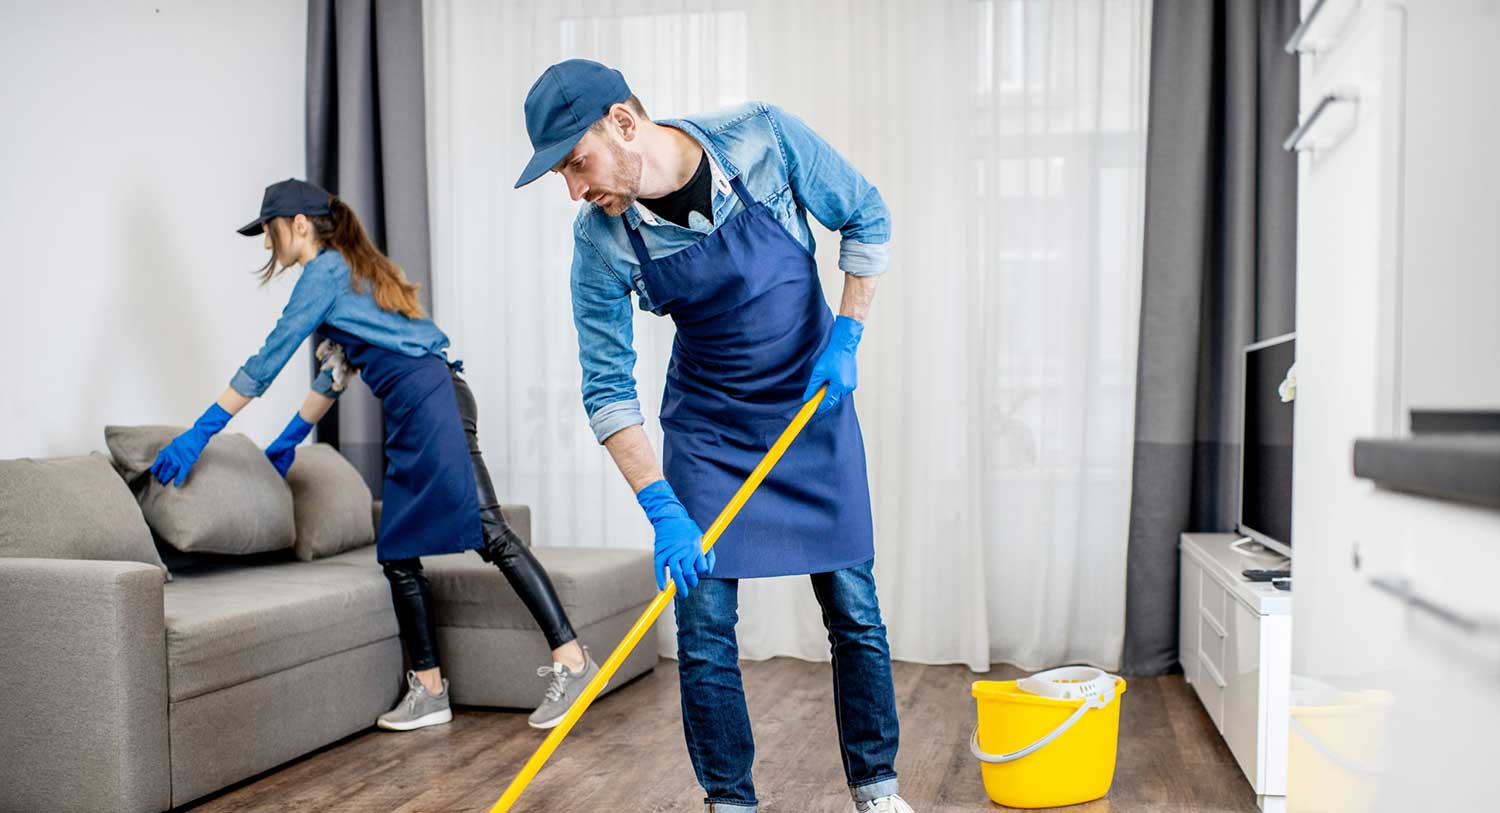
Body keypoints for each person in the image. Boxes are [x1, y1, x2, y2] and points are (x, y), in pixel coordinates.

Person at [515, 60, 911, 813]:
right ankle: (729, 801)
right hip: (709, 430)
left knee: (854, 606)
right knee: (701, 627)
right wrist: (662, 506)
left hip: (809, 404)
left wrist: (848, 333)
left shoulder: (760, 139)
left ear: (623, 123)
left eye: (576, 164)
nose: (574, 189)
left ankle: (877, 788)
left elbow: (866, 212)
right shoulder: (601, 241)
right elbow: (607, 387)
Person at [149, 178, 599, 731]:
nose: (267, 246)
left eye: (268, 233)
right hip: (422, 406)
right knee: (397, 552)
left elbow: (267, 361)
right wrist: (288, 441)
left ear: (297, 225)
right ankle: (429, 689)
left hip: (429, 403)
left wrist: (201, 432)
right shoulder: (350, 274)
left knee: (490, 532)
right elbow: (333, 374)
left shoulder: (326, 272)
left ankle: (573, 660)